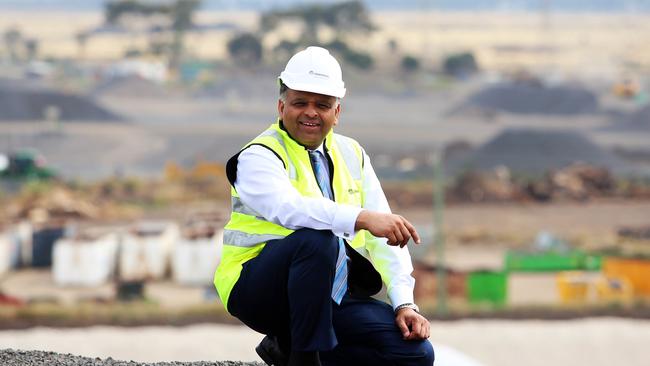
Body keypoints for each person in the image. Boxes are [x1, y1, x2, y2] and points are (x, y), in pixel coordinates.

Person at [214, 46, 434, 366]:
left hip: (328, 298)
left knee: (414, 353)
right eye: (300, 102)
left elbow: (386, 236)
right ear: (281, 106)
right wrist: (360, 218)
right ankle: (303, 357)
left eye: (322, 105)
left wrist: (404, 304)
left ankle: (285, 348)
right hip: (258, 290)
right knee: (316, 240)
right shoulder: (258, 155)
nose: (310, 112)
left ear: (337, 112)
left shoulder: (352, 153)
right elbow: (288, 209)